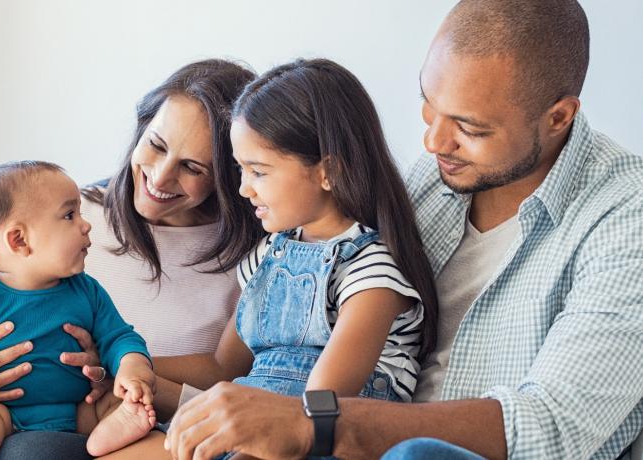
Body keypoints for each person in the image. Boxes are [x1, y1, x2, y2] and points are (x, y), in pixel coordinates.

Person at [163, 1, 643, 459]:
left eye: (469, 128)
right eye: (428, 106)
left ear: (558, 117)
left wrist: (314, 423)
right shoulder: (437, 176)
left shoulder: (625, 215)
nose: (432, 141)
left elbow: (552, 427)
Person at [0, 59, 263, 459]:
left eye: (192, 167)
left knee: (32, 453)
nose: (160, 177)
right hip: (6, 406)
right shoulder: (65, 214)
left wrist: (121, 368)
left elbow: (228, 375)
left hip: (112, 413)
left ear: (229, 172)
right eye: (155, 145)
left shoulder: (254, 256)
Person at [103, 58, 441, 459]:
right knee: (109, 430)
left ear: (327, 172)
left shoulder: (371, 273)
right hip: (249, 417)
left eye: (258, 172)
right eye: (240, 170)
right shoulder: (269, 255)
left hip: (314, 437)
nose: (243, 190)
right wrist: (135, 368)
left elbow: (318, 409)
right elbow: (221, 366)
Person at [0, 161, 161, 459]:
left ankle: (106, 435)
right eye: (70, 215)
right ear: (19, 240)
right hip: (0, 410)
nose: (86, 224)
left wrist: (133, 367)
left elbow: (119, 336)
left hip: (79, 406)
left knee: (118, 403)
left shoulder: (87, 290)